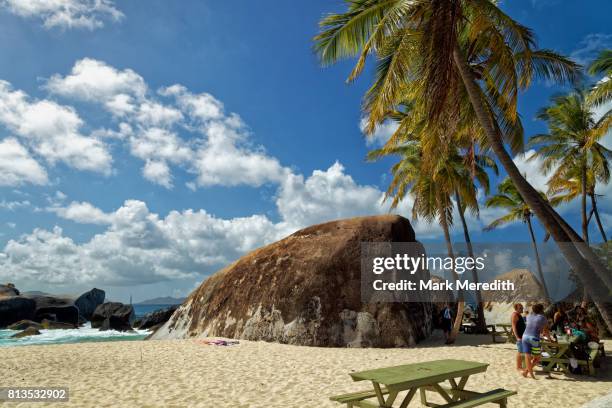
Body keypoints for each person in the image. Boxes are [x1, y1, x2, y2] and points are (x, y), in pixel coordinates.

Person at [521, 303, 551, 379]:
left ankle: (526, 372)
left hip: (524, 337)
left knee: (527, 356)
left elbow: (532, 325)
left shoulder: (528, 316)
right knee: (537, 358)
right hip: (534, 338)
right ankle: (529, 373)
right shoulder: (543, 318)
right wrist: (550, 340)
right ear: (541, 310)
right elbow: (546, 330)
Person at [511, 304, 526, 371]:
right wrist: (517, 337)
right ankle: (518, 367)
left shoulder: (519, 315)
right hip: (519, 336)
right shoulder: (515, 315)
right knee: (520, 351)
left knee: (522, 351)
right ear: (516, 309)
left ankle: (521, 366)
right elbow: (514, 327)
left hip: (522, 336)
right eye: (520, 308)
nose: (522, 309)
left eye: (522, 308)